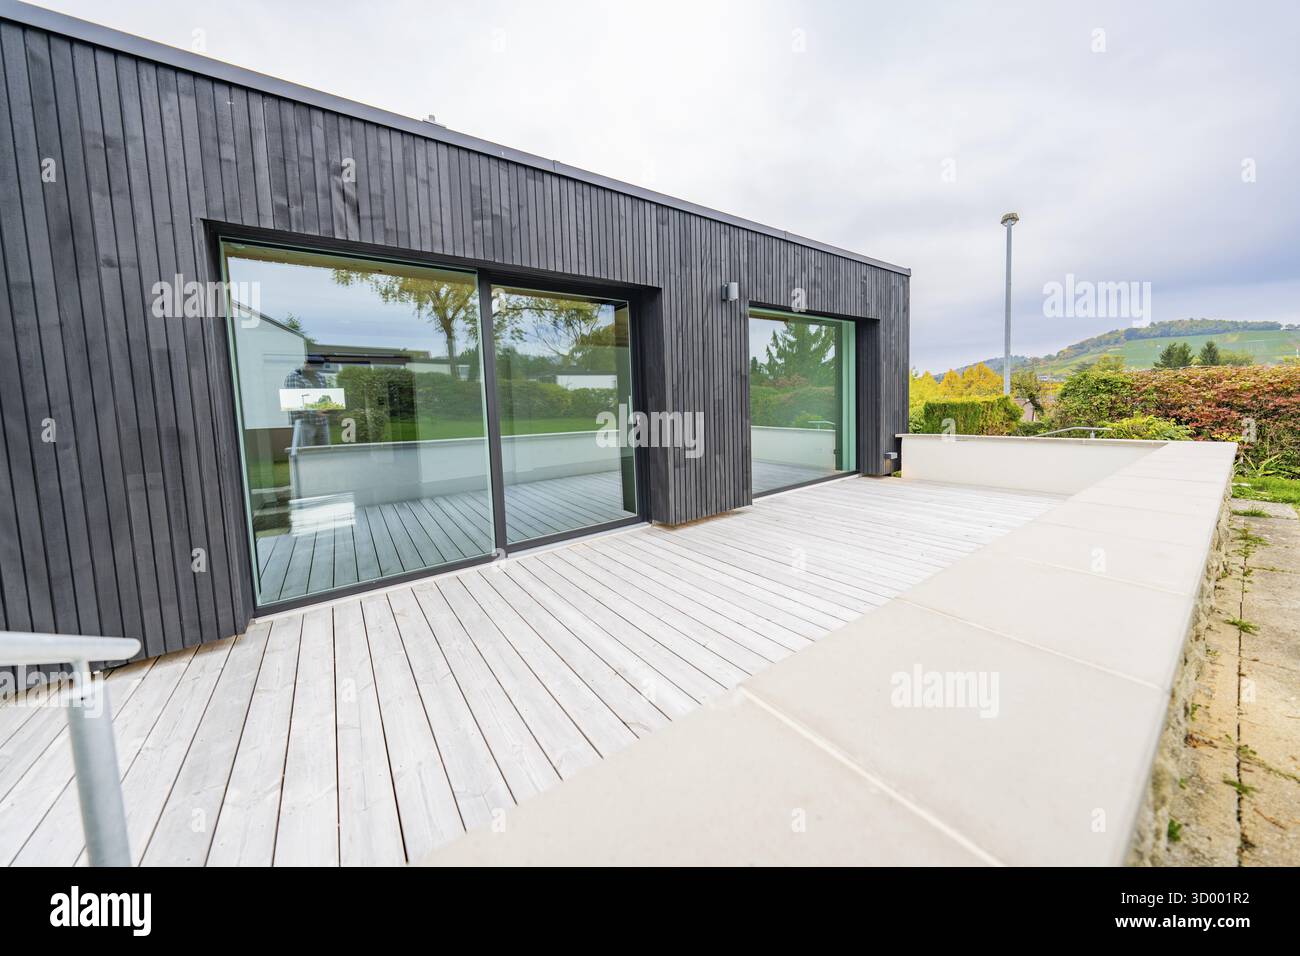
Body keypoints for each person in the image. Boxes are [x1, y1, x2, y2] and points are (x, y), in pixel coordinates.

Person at [284, 362, 332, 450]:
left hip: (322, 423)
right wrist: (315, 411)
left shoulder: (320, 377)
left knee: (326, 454)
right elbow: (295, 402)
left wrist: (331, 407)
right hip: (304, 423)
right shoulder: (294, 377)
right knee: (306, 455)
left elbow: (324, 398)